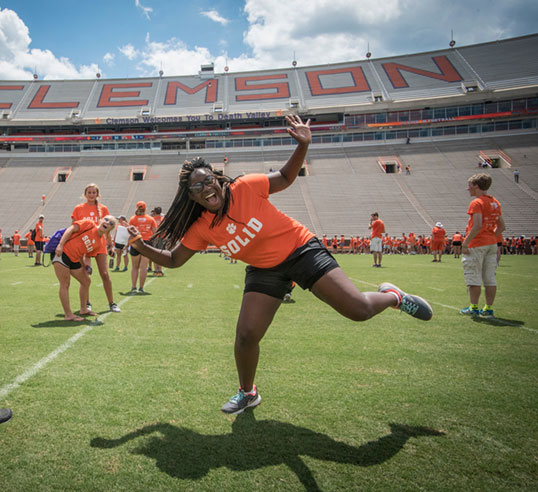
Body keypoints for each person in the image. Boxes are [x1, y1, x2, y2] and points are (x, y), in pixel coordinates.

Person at [127, 114, 433, 416]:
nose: (206, 188)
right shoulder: (202, 226)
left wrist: (303, 145)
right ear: (191, 197)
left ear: (218, 179)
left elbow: (286, 178)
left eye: (208, 180)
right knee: (246, 336)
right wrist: (141, 246)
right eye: (197, 188)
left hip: (300, 250)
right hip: (265, 270)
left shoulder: (246, 186)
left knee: (359, 311)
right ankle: (248, 393)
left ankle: (394, 296)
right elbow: (175, 260)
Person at [53, 216, 118, 321]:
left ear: (110, 229)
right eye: (106, 220)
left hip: (74, 259)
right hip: (62, 253)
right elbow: (71, 229)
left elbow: (83, 253)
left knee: (86, 281)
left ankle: (84, 309)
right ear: (101, 221)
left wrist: (84, 267)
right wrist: (60, 245)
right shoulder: (89, 224)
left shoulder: (100, 242)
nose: (107, 222)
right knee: (65, 283)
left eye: (111, 223)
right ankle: (68, 314)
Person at [460, 173, 505, 318]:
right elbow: (502, 226)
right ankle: (489, 308)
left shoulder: (477, 202)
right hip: (491, 243)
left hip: (477, 243)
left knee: (473, 277)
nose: (468, 189)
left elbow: (477, 225)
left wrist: (466, 243)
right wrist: (492, 235)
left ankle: (474, 307)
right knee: (490, 278)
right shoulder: (495, 202)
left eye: (470, 185)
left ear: (476, 186)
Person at [71, 183, 120, 313]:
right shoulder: (78, 208)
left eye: (94, 192)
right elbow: (74, 228)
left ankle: (112, 303)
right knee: (85, 274)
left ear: (97, 194)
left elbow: (108, 229)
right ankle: (87, 303)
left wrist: (111, 245)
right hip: (84, 245)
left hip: (99, 245)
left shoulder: (103, 209)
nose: (92, 195)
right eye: (89, 192)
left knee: (104, 274)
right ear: (85, 194)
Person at [128, 201, 157, 294]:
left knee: (134, 267)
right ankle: (141, 288)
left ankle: (133, 287)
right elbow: (155, 232)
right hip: (147, 243)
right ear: (145, 208)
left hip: (136, 242)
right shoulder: (151, 219)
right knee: (143, 267)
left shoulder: (133, 219)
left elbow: (129, 233)